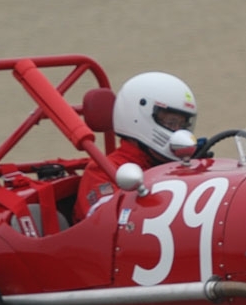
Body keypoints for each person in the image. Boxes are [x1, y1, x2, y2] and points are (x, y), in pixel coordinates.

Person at [74, 71, 198, 221]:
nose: (179, 133)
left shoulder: (178, 167)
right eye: (171, 123)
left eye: (183, 126)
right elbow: (106, 226)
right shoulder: (104, 170)